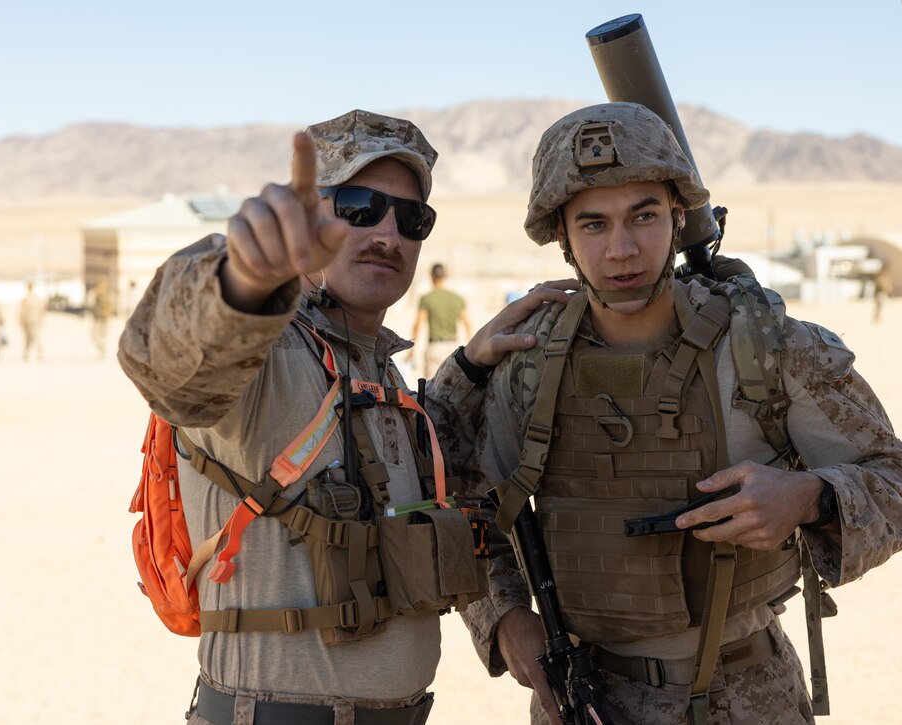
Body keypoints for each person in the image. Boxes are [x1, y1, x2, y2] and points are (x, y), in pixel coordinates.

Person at [453, 103, 902, 724]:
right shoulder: (528, 365)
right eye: (593, 224)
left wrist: (809, 497)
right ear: (564, 239)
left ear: (678, 219)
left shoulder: (766, 344)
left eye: (644, 216)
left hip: (751, 694)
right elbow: (463, 500)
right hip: (586, 698)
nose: (621, 249)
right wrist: (504, 616)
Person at [118, 109, 569, 725]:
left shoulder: (371, 368)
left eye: (412, 219)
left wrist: (469, 360)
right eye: (359, 205)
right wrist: (243, 277)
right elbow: (171, 366)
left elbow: (404, 464)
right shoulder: (266, 358)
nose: (388, 232)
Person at [410, 263, 472, 378]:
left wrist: (412, 350)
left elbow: (418, 324)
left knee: (432, 389)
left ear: (431, 275)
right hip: (453, 347)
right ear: (446, 275)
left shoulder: (426, 298)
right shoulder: (457, 298)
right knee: (451, 385)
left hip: (434, 348)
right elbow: (467, 324)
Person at [18, 281, 45, 361]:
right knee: (34, 338)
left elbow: (23, 312)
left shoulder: (26, 299)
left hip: (29, 321)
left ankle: (27, 354)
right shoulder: (36, 298)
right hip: (35, 321)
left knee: (28, 338)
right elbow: (41, 311)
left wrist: (21, 321)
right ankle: (36, 354)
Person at [87, 278, 113, 357]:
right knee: (100, 336)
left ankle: (101, 349)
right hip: (104, 318)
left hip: (98, 318)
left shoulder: (96, 293)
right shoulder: (108, 293)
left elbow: (89, 304)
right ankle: (101, 349)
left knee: (95, 336)